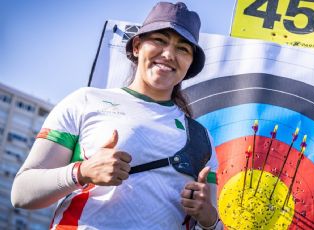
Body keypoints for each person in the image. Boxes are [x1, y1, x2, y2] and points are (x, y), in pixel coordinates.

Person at [11, 2, 223, 229]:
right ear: (137, 46)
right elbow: (21, 193)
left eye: (183, 48)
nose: (169, 54)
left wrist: (209, 219)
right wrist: (82, 172)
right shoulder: (85, 100)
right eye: (160, 40)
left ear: (190, 64)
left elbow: (208, 223)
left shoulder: (201, 137)